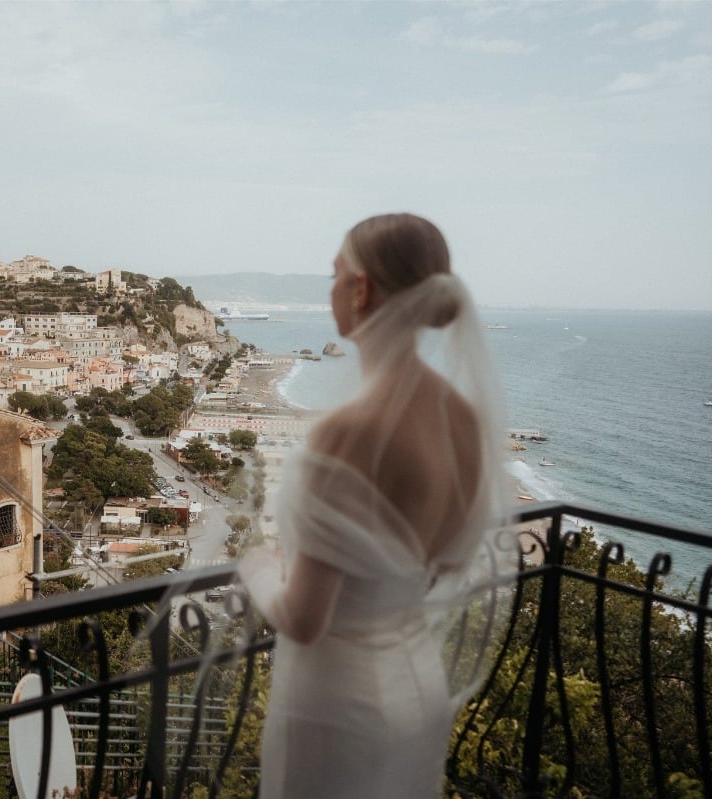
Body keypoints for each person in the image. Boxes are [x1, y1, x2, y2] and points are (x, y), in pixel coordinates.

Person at [238, 213, 515, 798]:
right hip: (416, 686)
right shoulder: (461, 419)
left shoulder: (345, 433)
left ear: (360, 289)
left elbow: (305, 621)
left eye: (335, 275)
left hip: (336, 708)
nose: (331, 289)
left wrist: (256, 568)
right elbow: (443, 559)